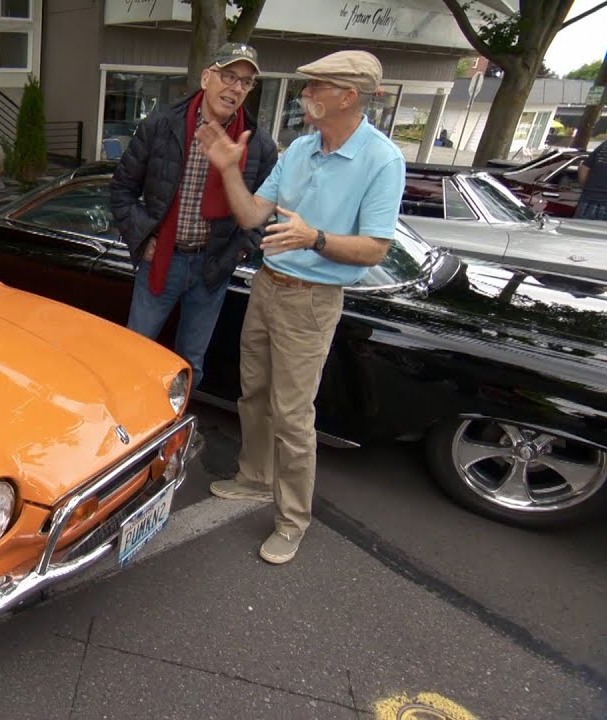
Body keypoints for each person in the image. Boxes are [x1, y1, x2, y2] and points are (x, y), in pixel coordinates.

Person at [197, 50, 405, 564]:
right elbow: (251, 214)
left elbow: (376, 248)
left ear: (348, 96)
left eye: (316, 86)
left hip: (312, 301)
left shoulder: (382, 160)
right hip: (269, 286)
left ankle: (292, 521)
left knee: (292, 416)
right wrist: (227, 169)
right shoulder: (300, 150)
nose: (304, 94)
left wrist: (313, 238)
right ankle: (254, 477)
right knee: (254, 392)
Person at [110, 43, 278, 391]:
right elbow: (121, 189)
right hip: (162, 261)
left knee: (192, 364)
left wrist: (234, 255)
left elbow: (263, 217)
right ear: (206, 77)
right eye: (229, 76)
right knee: (134, 354)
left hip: (211, 268)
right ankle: (128, 430)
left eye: (245, 82)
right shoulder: (161, 126)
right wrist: (143, 239)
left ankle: (176, 434)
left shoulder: (258, 145)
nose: (235, 88)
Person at [576, 136, 607, 222]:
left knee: (578, 233)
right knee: (605, 235)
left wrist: (587, 189)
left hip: (587, 202)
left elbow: (583, 168)